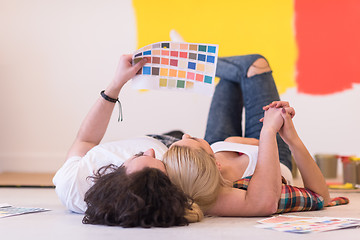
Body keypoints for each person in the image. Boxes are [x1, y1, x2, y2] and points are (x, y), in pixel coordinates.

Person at [163, 54, 332, 221]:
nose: (186, 134)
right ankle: (191, 63)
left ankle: (190, 64)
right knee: (256, 65)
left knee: (229, 80)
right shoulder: (239, 190)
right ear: (216, 163)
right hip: (273, 150)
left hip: (222, 143)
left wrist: (232, 143)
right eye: (192, 139)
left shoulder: (194, 170)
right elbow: (321, 197)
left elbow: (247, 143)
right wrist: (290, 138)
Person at [53, 55, 193, 228]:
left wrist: (116, 85)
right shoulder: (180, 192)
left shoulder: (73, 186)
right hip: (184, 148)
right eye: (158, 162)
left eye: (139, 156)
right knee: (231, 80)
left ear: (113, 177)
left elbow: (85, 140)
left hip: (155, 137)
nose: (150, 151)